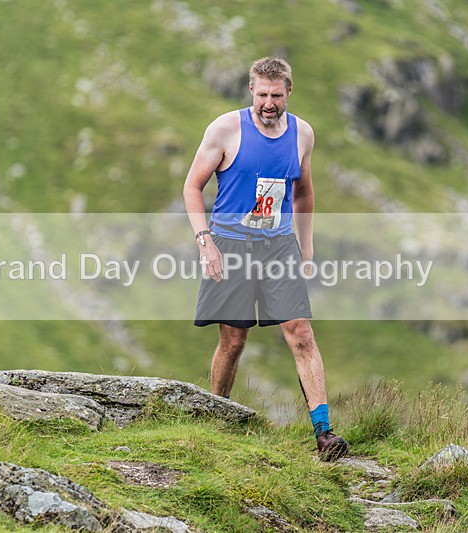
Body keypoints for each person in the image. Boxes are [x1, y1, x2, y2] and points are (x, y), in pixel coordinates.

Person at [183, 57, 348, 461]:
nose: (269, 103)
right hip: (231, 245)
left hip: (277, 246)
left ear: (289, 91)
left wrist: (305, 248)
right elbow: (192, 187)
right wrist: (206, 243)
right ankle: (214, 419)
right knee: (234, 339)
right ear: (251, 92)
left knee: (302, 334)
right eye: (261, 95)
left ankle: (324, 434)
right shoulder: (224, 129)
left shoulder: (302, 134)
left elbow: (304, 193)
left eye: (276, 95)